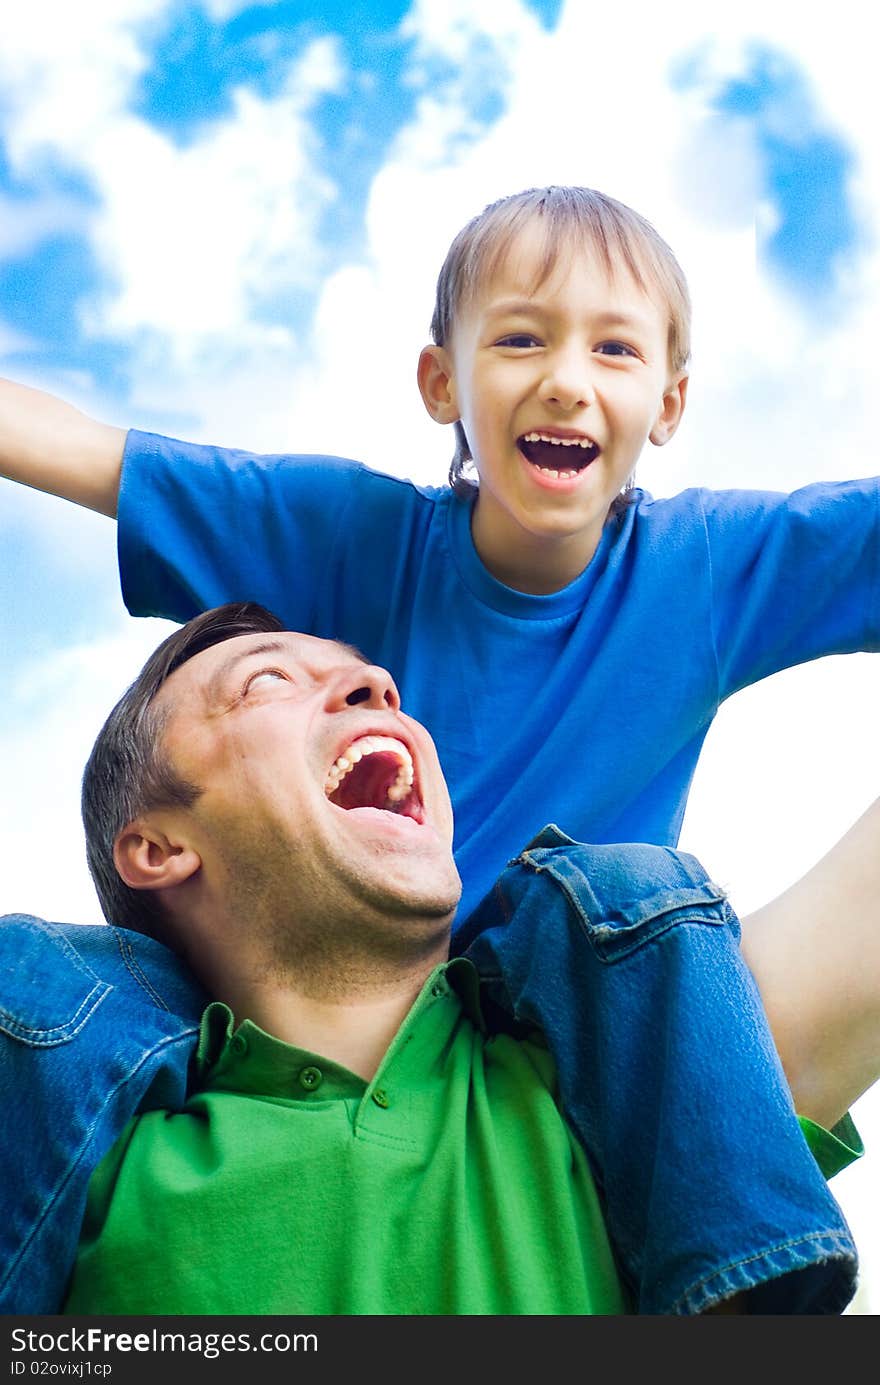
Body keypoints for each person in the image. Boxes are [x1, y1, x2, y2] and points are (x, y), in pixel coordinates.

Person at [1, 184, 878, 1131]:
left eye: (614, 347)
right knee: (64, 989)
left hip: (562, 1028)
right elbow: (90, 455)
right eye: (520, 339)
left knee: (631, 906)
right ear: (441, 383)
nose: (567, 380)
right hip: (348, 1008)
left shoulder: (702, 570)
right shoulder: (356, 538)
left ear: (668, 401)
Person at [0, 604, 868, 1315]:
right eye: (268, 679)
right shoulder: (72, 1173)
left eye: (373, 681)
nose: (375, 684)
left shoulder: (640, 1079)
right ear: (157, 846)